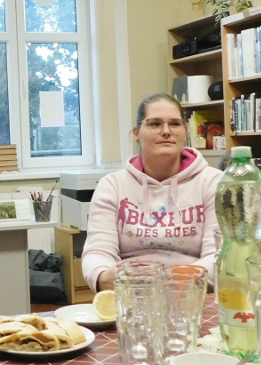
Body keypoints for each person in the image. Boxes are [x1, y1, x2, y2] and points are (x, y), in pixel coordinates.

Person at [82, 92, 222, 293]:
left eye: (175, 124)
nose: (166, 131)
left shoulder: (214, 182)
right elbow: (98, 251)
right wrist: (103, 277)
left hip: (192, 293)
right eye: (155, 124)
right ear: (136, 133)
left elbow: (218, 254)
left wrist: (166, 280)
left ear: (185, 131)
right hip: (130, 292)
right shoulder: (112, 185)